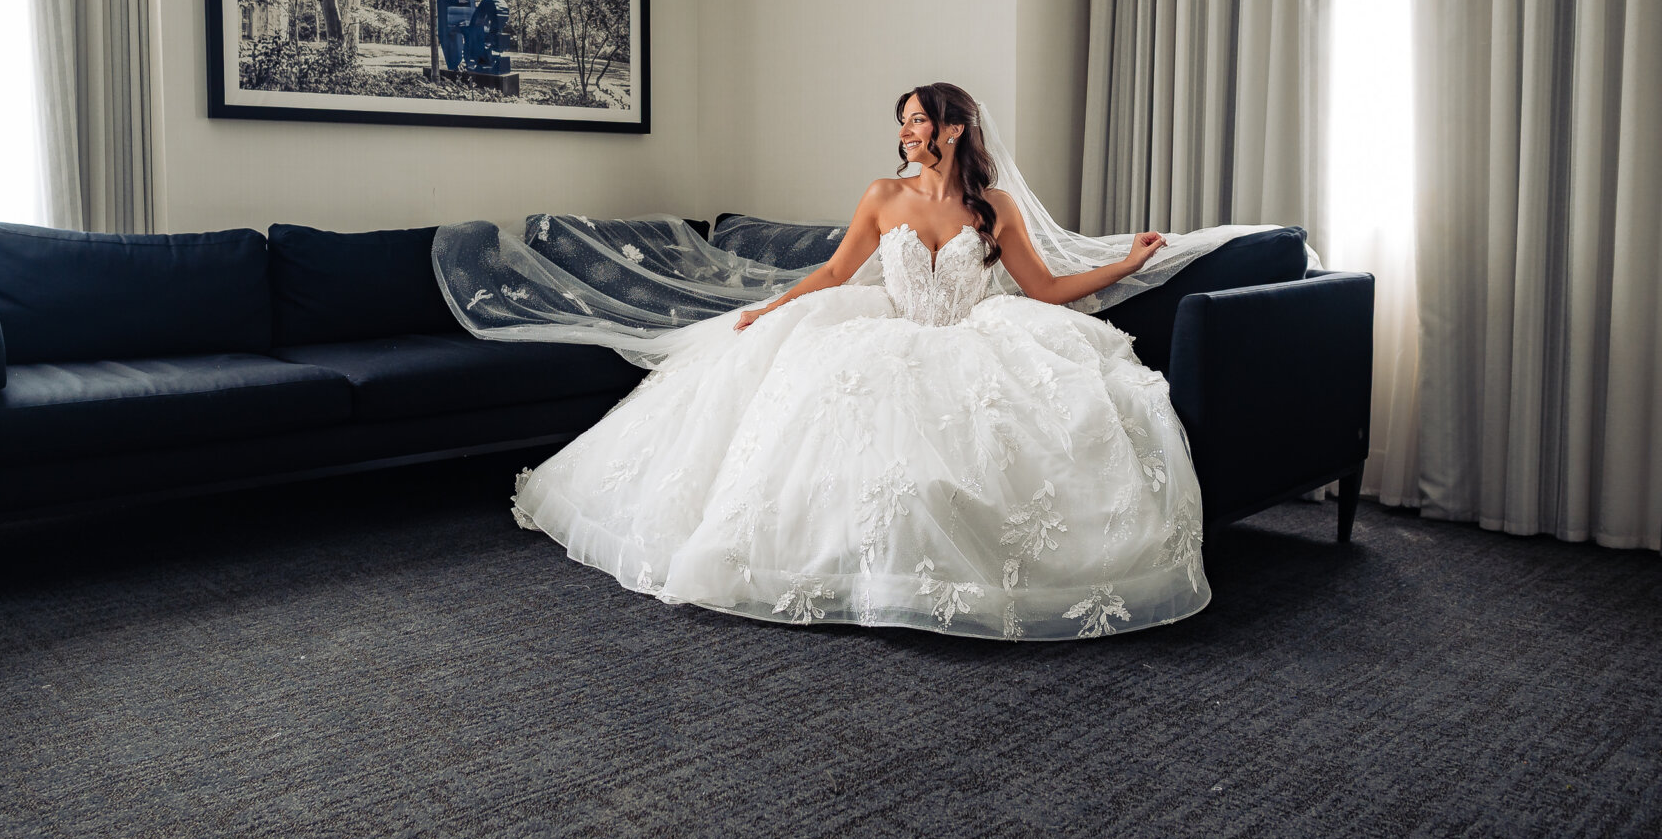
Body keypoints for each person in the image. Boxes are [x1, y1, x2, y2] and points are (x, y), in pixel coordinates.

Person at [501, 82, 1211, 641]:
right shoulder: (883, 195)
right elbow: (838, 272)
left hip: (973, 338)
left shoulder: (993, 208)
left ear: (954, 128)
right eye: (901, 121)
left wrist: (1125, 262)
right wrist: (773, 307)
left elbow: (1047, 288)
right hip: (889, 332)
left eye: (916, 120)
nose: (905, 132)